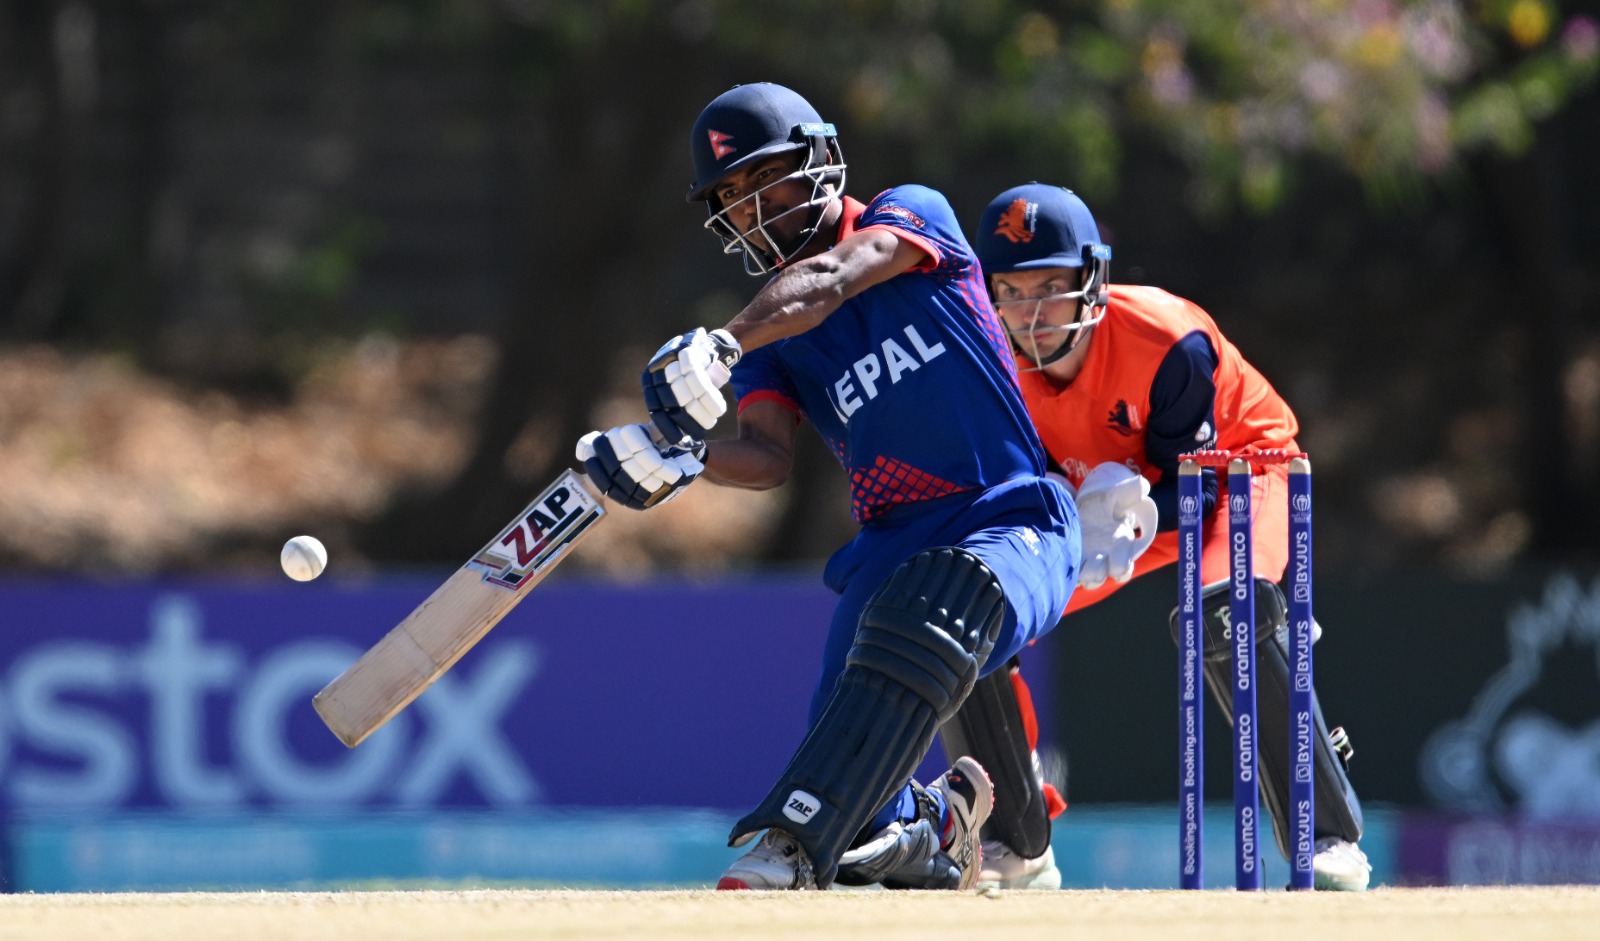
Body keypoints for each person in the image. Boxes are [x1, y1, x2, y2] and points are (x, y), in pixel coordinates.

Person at [574, 84, 1086, 891]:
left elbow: (837, 275)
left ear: (820, 159)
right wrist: (683, 457)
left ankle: (788, 839)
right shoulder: (775, 344)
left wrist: (722, 342)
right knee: (862, 815)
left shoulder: (910, 216)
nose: (752, 209)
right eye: (731, 197)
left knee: (941, 600)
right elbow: (765, 454)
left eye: (765, 179)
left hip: (1012, 510)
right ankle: (937, 829)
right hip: (891, 547)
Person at [949, 182, 1371, 891]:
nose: (1032, 314)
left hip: (1239, 472)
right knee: (969, 611)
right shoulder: (986, 360)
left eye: (1050, 287)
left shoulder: (1167, 338)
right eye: (1013, 292)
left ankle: (1327, 832)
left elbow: (1194, 487)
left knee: (1226, 610)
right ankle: (1017, 839)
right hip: (1105, 504)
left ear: (1092, 278)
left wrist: (1116, 512)